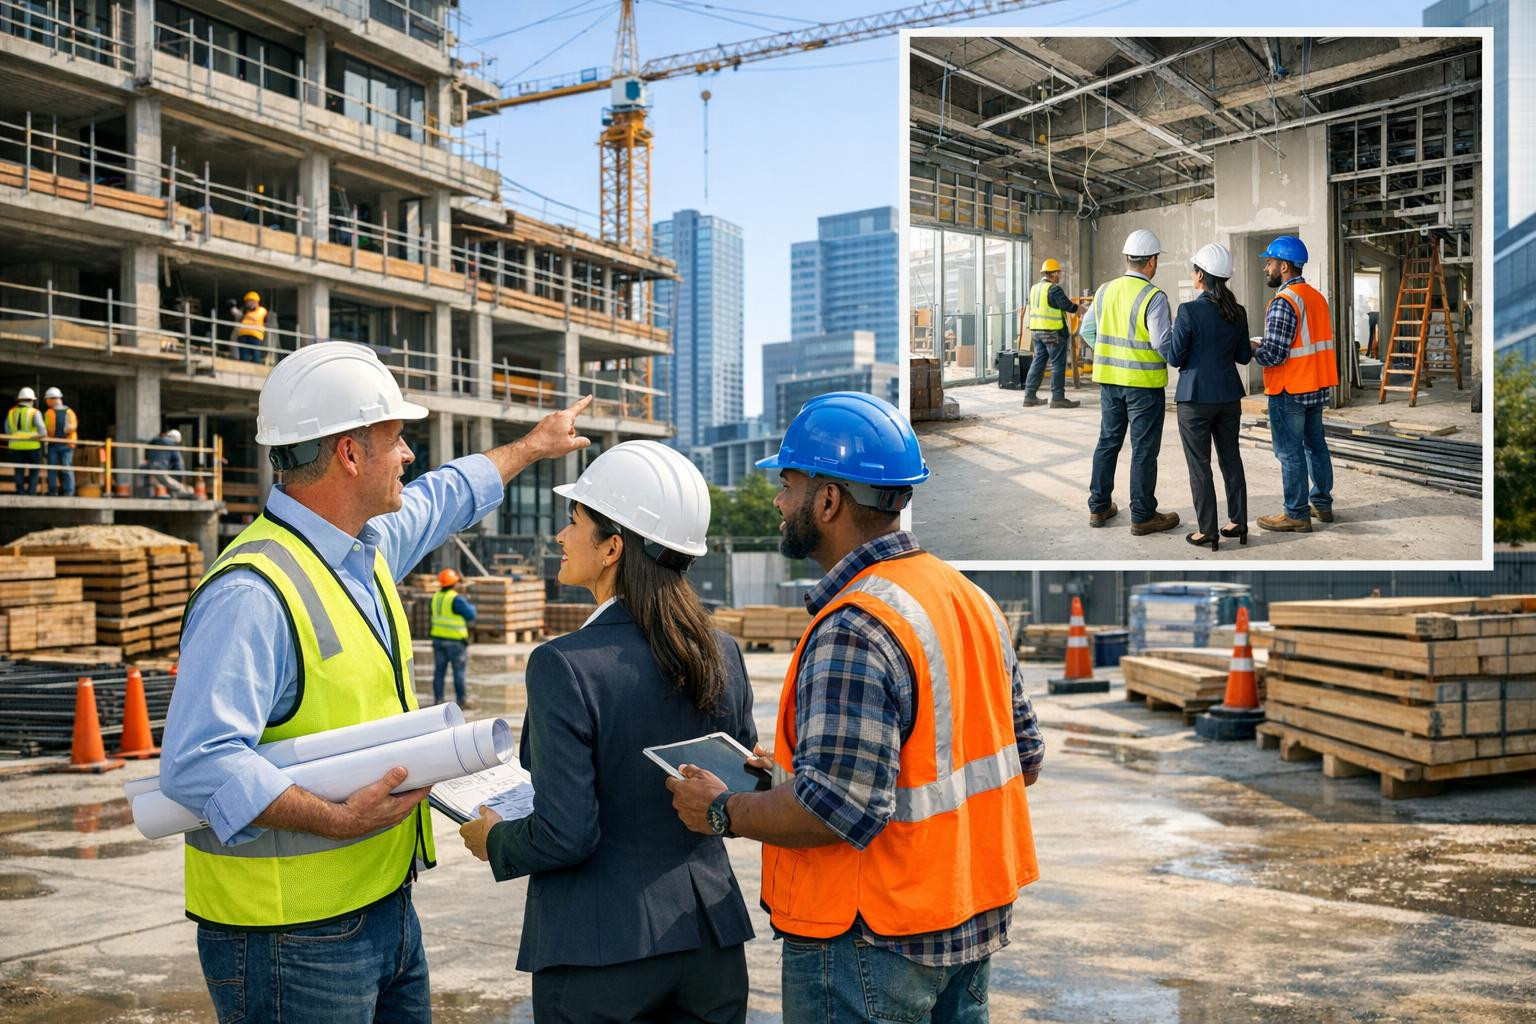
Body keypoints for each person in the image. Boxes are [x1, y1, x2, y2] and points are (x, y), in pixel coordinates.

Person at [158, 341, 592, 1023]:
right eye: (397, 439)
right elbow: (195, 763)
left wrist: (532, 448)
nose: (409, 455)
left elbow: (444, 497)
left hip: (384, 907)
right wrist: (335, 819)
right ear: (350, 454)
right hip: (290, 939)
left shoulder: (364, 551)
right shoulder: (252, 590)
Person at [665, 392, 1044, 1024]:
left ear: (829, 500)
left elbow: (838, 811)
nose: (780, 503)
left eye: (788, 485)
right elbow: (1021, 759)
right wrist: (788, 776)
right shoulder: (969, 599)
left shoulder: (856, 626)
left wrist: (720, 810)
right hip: (966, 924)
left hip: (870, 943)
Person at [458, 441, 756, 1024]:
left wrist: (495, 839)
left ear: (613, 546)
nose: (561, 537)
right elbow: (736, 789)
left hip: (601, 952)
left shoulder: (564, 664)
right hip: (709, 943)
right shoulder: (722, 652)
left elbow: (566, 835)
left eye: (574, 522)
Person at [1080, 229, 1181, 535]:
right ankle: (1142, 515)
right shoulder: (1153, 296)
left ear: (1127, 258)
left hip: (1110, 382)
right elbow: (1163, 342)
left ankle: (1099, 508)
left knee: (1108, 442)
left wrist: (1109, 354)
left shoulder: (1105, 291)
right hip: (1144, 385)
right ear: (1151, 262)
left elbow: (1087, 331)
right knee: (1143, 450)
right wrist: (1180, 356)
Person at [1164, 244, 1251, 551]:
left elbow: (1175, 358)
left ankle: (1208, 530)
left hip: (1195, 398)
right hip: (1229, 396)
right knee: (1231, 459)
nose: (1192, 274)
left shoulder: (1189, 310)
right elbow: (1243, 357)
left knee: (1200, 465)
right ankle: (1238, 522)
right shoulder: (1237, 311)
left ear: (1201, 275)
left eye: (1193, 270)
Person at [1251, 235, 1338, 533]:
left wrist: (1252, 349)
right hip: (1316, 386)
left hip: (1290, 390)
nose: (1266, 268)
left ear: (1284, 266)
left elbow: (1274, 354)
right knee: (1315, 445)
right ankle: (1321, 504)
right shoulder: (1316, 298)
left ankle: (1296, 513)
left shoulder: (1284, 302)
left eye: (1270, 262)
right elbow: (1308, 342)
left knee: (1289, 452)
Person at [1022, 257, 1081, 408]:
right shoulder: (1053, 289)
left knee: (1038, 362)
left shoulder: (1034, 288)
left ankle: (1029, 396)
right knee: (1057, 364)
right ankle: (1058, 398)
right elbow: (1067, 306)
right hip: (1052, 333)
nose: (1059, 276)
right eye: (1058, 273)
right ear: (1053, 273)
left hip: (1037, 332)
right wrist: (1081, 309)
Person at [429, 567, 477, 707]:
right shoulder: (456, 599)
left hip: (438, 639)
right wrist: (469, 603)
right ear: (454, 583)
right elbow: (471, 615)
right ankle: (461, 700)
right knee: (459, 672)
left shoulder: (436, 597)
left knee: (439, 671)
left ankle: (438, 699)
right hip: (455, 642)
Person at [5, 386, 46, 495]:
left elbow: (7, 430)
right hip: (32, 447)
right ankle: (31, 492)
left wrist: (17, 436)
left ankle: (20, 492)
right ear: (31, 400)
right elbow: (43, 432)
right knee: (34, 471)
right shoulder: (34, 412)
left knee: (18, 470)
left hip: (15, 446)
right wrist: (32, 437)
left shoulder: (11, 412)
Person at [42, 386, 78, 497]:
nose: (46, 401)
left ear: (53, 399)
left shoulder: (69, 412)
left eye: (47, 399)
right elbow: (45, 429)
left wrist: (63, 431)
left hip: (67, 445)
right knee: (52, 468)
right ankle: (53, 492)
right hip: (53, 445)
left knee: (66, 468)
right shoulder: (48, 413)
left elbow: (72, 426)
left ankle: (69, 492)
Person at [146, 428, 193, 497]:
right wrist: (180, 478)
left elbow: (147, 455)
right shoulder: (172, 446)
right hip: (161, 469)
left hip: (149, 468)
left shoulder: (155, 442)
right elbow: (178, 464)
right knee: (176, 486)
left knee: (156, 488)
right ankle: (188, 494)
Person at [234, 290, 268, 364]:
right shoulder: (245, 311)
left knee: (255, 353)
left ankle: (256, 365)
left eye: (252, 301)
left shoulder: (263, 311)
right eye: (248, 301)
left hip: (256, 335)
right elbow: (238, 317)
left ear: (257, 301)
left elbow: (266, 321)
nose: (250, 303)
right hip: (243, 334)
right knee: (243, 355)